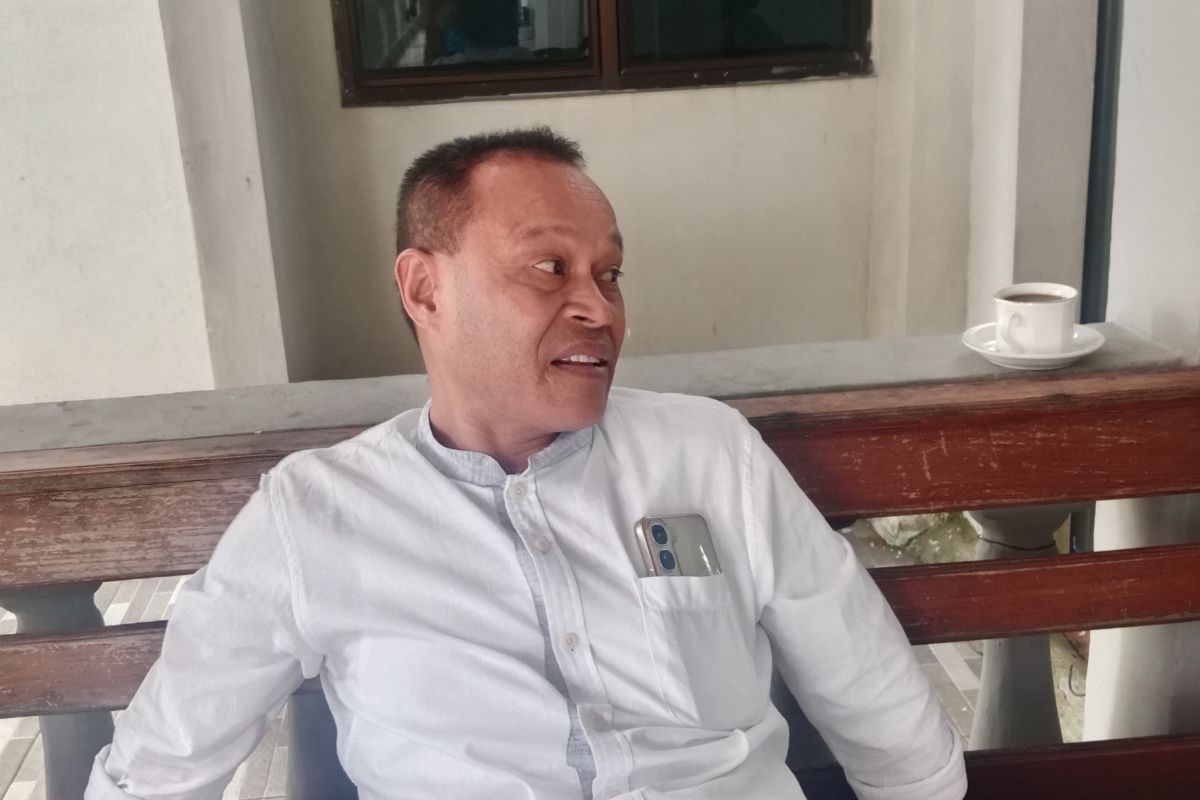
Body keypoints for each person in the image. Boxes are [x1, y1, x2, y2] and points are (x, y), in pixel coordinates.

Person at [87, 127, 966, 799]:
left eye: (610, 274)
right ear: (425, 289)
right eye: (549, 268)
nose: (600, 309)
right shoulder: (316, 515)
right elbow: (160, 767)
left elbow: (872, 692)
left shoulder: (707, 454)